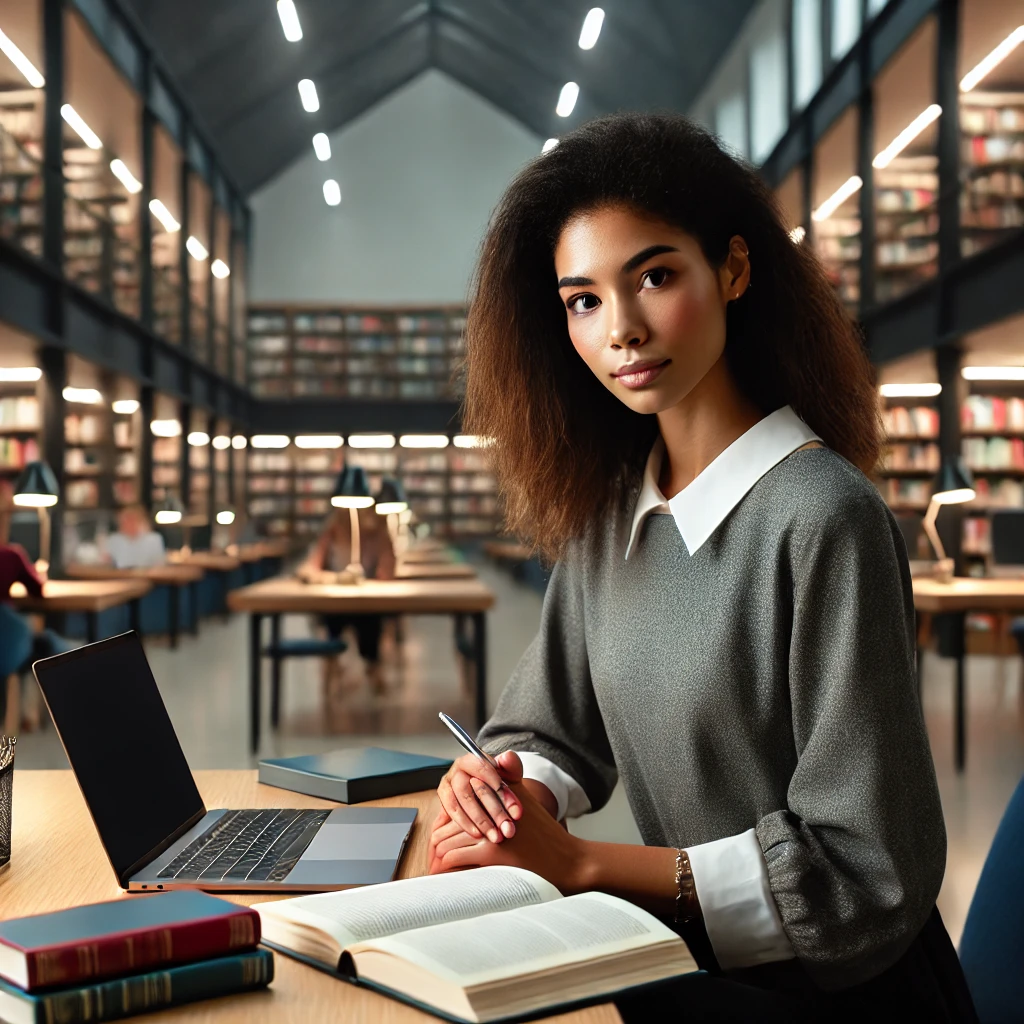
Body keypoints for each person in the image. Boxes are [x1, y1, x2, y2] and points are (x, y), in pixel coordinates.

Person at [427, 113, 976, 1022]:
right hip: (685, 963)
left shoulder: (825, 518)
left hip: (843, 993)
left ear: (732, 269)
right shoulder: (610, 517)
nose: (622, 331)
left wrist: (582, 864)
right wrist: (505, 789)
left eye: (654, 276)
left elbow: (864, 870)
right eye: (583, 300)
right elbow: (550, 729)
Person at [299, 506, 396, 694]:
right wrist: (331, 578)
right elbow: (309, 568)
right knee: (333, 618)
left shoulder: (378, 537)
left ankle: (371, 665)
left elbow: (388, 573)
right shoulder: (331, 534)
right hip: (335, 603)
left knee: (370, 620)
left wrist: (384, 544)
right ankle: (342, 663)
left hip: (368, 603)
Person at [104, 504, 166, 569]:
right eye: (125, 520)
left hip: (147, 577)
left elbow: (160, 565)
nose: (129, 523)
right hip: (119, 577)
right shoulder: (113, 540)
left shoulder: (154, 539)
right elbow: (106, 564)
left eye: (132, 519)